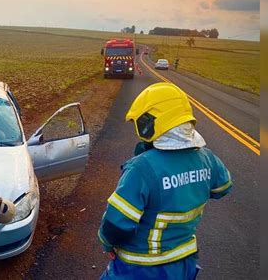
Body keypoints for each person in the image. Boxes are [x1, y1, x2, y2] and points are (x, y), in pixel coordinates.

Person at [98, 82, 232, 279]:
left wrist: (107, 243)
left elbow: (117, 223)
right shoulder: (207, 158)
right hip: (184, 263)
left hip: (140, 267)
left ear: (150, 124)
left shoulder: (141, 168)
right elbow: (224, 187)